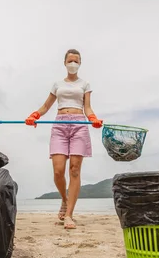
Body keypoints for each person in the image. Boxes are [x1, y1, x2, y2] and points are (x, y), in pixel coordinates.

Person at [25, 49, 103, 229]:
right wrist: (35, 115)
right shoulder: (57, 84)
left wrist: (93, 119)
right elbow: (46, 106)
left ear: (80, 63)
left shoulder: (85, 84)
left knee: (74, 170)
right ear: (65, 63)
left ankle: (69, 215)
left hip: (78, 125)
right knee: (58, 171)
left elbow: (88, 108)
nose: (73, 63)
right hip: (59, 125)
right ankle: (64, 199)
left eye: (76, 61)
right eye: (70, 60)